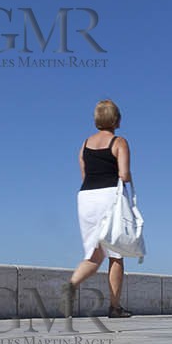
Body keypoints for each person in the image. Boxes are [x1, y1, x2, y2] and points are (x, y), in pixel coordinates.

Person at [64, 99, 134, 319]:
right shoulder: (119, 142)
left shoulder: (85, 144)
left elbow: (84, 174)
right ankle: (115, 307)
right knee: (116, 254)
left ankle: (71, 285)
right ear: (116, 119)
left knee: (93, 254)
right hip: (109, 196)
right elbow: (124, 175)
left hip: (86, 197)